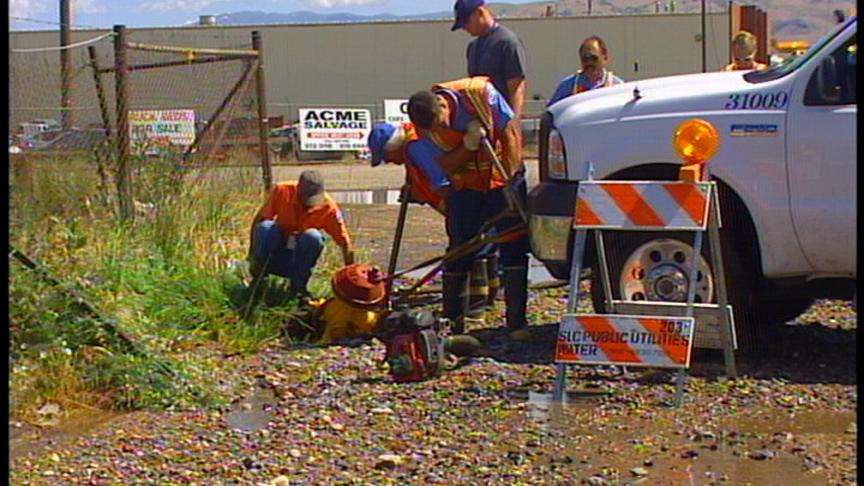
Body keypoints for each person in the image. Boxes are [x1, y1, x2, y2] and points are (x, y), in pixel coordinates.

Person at [406, 76, 530, 338]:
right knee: (460, 248)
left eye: (441, 123)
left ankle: (517, 323)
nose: (438, 130)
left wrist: (508, 179)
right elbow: (446, 165)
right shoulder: (424, 126)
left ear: (442, 105)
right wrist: (469, 144)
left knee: (513, 242)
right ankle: (453, 322)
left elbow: (510, 133)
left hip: (502, 177)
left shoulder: (480, 94)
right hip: (467, 188)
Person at [248, 170, 355, 297]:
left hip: (298, 261)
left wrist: (351, 278)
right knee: (265, 228)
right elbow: (259, 219)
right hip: (275, 252)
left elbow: (345, 243)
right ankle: (259, 281)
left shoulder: (329, 208)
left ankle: (297, 289)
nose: (309, 204)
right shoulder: (282, 190)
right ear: (298, 189)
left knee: (313, 237)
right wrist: (252, 253)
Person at [452, 0, 528, 120]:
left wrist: (514, 123)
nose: (464, 28)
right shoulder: (473, 47)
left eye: (466, 22)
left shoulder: (507, 42)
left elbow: (516, 88)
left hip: (502, 121)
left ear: (479, 12)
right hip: (482, 120)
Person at [548, 35, 624, 106]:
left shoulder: (617, 86)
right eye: (585, 58)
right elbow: (552, 113)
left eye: (594, 58)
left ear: (605, 58)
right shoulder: (568, 86)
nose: (589, 62)